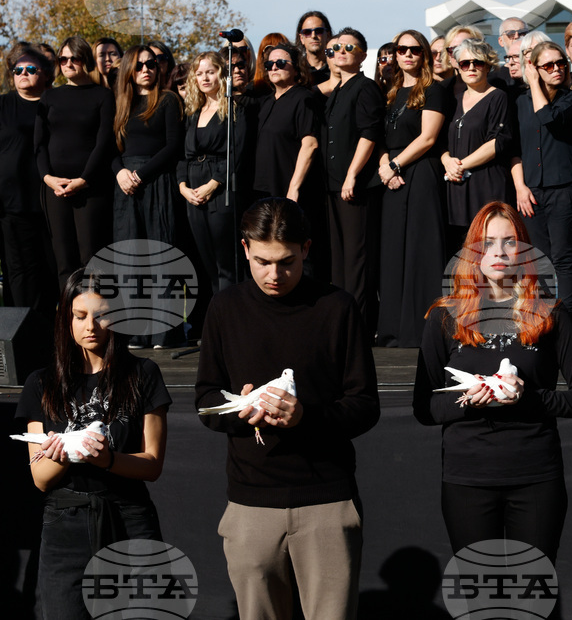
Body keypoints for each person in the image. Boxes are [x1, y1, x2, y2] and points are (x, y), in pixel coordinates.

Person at [196, 197, 379, 620]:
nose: (274, 274)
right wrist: (240, 409)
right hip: (250, 504)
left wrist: (304, 417)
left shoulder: (336, 307)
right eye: (261, 261)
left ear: (307, 250)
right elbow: (205, 400)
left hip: (326, 503)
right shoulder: (225, 308)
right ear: (244, 249)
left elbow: (365, 405)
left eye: (286, 262)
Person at [413, 201, 572, 562]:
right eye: (488, 242)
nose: (499, 252)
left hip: (536, 478)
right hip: (467, 480)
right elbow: (424, 407)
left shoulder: (551, 314)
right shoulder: (445, 317)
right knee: (478, 598)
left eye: (510, 242)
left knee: (531, 599)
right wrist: (467, 397)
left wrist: (528, 399)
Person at [15, 268, 170, 620]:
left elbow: (152, 464)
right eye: (80, 316)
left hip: (128, 517)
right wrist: (65, 455)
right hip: (64, 525)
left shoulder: (143, 374)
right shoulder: (40, 383)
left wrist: (107, 459)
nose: (91, 327)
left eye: (102, 316)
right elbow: (40, 477)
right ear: (65, 318)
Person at [376, 29, 447, 348]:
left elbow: (428, 138)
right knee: (393, 254)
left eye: (414, 50)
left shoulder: (434, 89)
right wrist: (383, 165)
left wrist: (394, 165)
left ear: (424, 55)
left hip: (419, 174)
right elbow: (379, 136)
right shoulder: (389, 91)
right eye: (400, 49)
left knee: (421, 252)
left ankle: (421, 332)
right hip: (391, 177)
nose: (406, 54)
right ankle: (391, 331)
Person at [512, 41, 572, 314]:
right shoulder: (519, 103)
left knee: (565, 260)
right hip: (531, 193)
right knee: (538, 260)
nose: (556, 69)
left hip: (564, 191)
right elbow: (514, 149)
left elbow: (549, 118)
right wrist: (520, 187)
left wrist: (533, 82)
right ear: (535, 67)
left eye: (560, 63)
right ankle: (543, 319)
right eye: (548, 65)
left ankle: (569, 323)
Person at [35, 35, 115, 286]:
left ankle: (95, 319)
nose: (68, 63)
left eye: (75, 58)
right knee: (63, 260)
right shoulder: (49, 98)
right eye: (63, 59)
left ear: (86, 60)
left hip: (90, 189)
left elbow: (104, 143)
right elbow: (39, 144)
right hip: (54, 190)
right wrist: (48, 179)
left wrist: (83, 180)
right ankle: (68, 321)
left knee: (91, 257)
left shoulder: (102, 95)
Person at [322, 27, 384, 335]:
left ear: (361, 55)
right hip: (333, 185)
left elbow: (369, 133)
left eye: (350, 47)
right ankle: (343, 323)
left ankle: (359, 328)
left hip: (355, 186)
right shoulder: (337, 91)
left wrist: (352, 175)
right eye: (335, 49)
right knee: (341, 261)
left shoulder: (365, 87)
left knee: (357, 261)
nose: (341, 51)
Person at [177, 51, 244, 301]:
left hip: (220, 188)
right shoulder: (193, 112)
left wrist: (213, 184)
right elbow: (182, 156)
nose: (205, 77)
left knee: (226, 261)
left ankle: (232, 322)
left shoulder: (234, 109)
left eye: (210, 71)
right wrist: (183, 187)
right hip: (192, 189)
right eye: (199, 73)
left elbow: (237, 152)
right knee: (207, 263)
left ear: (221, 74)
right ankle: (218, 321)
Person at [1, 44, 55, 312]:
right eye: (17, 69)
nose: (23, 73)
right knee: (19, 274)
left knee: (50, 271)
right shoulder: (3, 105)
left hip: (52, 203)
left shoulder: (56, 104)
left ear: (45, 73)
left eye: (31, 69)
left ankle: (50, 337)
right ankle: (21, 341)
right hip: (11, 206)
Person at [111, 45, 184, 246]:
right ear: (128, 69)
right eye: (139, 65)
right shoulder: (119, 104)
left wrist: (140, 175)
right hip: (126, 184)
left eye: (151, 64)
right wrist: (120, 173)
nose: (146, 69)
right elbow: (111, 147)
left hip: (157, 180)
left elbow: (173, 146)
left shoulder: (168, 99)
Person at [441, 38, 512, 240]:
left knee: (486, 243)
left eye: (478, 62)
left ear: (488, 66)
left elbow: (497, 142)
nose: (471, 67)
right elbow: (441, 141)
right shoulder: (453, 100)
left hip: (486, 184)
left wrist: (461, 165)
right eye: (465, 63)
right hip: (456, 185)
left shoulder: (498, 97)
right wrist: (447, 161)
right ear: (458, 67)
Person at [253, 42, 319, 201]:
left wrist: (294, 188)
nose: (274, 68)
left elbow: (310, 145)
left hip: (288, 193)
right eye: (269, 64)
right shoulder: (266, 102)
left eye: (281, 63)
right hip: (262, 192)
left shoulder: (303, 99)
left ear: (296, 68)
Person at [296, 10, 334, 85]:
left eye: (319, 31)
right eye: (307, 32)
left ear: (328, 36)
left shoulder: (337, 69)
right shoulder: (295, 72)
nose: (313, 36)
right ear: (301, 38)